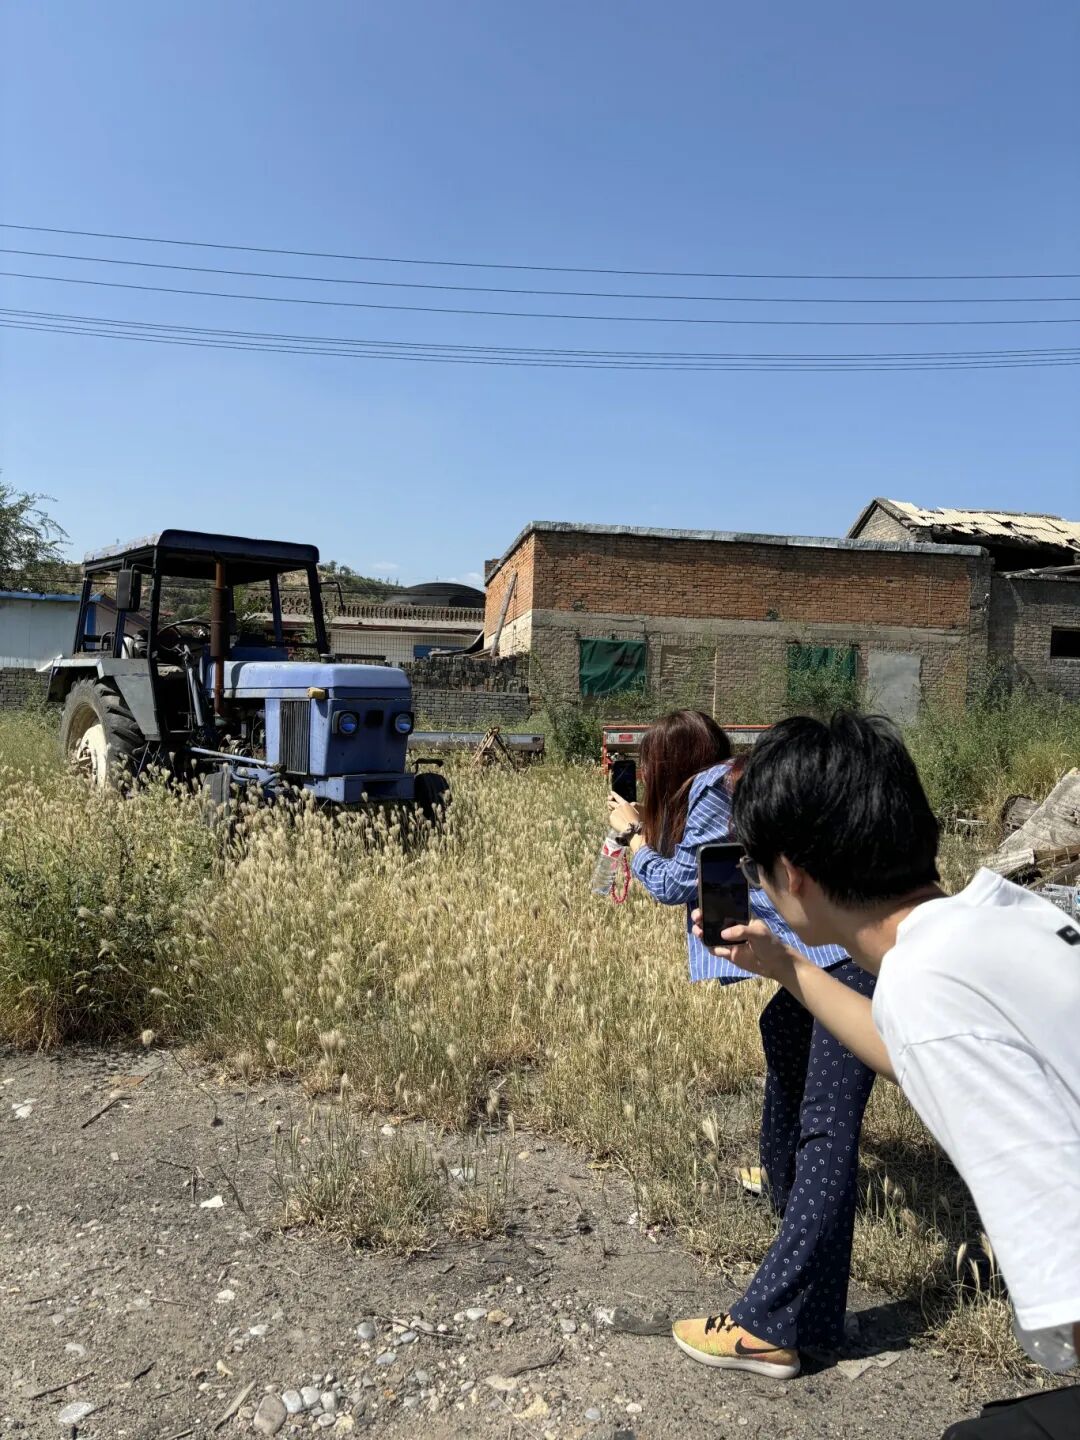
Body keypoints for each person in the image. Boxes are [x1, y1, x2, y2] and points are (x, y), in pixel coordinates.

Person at [693, 711, 1080, 1437]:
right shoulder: (997, 916)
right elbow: (904, 1045)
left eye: (755, 868)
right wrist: (785, 967)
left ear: (793, 875)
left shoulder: (927, 992)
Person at [606, 709, 877, 1379]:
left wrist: (632, 843)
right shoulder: (736, 781)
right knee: (781, 1027)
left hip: (845, 953)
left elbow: (682, 882)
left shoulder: (709, 791)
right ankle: (780, 1180)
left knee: (828, 1131)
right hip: (838, 947)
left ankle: (775, 1327)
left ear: (668, 762)